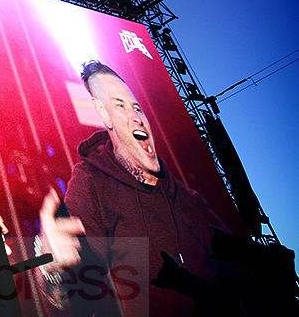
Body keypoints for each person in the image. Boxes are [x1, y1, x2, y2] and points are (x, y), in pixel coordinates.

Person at [37, 60, 231, 316]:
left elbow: (242, 269)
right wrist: (52, 271)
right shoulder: (92, 182)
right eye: (119, 106)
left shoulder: (189, 199)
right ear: (104, 114)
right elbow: (74, 293)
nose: (136, 118)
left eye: (137, 108)